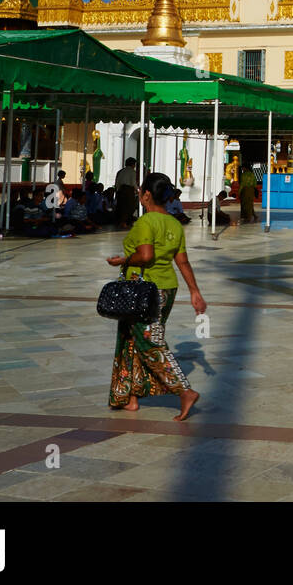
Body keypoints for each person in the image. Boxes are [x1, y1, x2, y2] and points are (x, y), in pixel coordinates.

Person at [106, 172, 205, 420]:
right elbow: (182, 261)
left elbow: (146, 256)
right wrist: (194, 290)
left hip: (144, 290)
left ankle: (184, 391)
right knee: (129, 339)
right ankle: (129, 397)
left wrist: (123, 260)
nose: (139, 194)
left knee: (151, 342)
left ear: (147, 195)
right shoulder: (173, 223)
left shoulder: (146, 222)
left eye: (141, 191)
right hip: (167, 288)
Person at [114, 157, 138, 226]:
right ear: (132, 164)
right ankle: (125, 222)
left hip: (121, 190)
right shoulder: (132, 171)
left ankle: (122, 221)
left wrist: (118, 191)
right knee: (129, 206)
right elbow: (133, 182)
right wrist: (137, 190)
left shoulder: (121, 171)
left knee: (121, 206)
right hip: (128, 190)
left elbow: (117, 182)